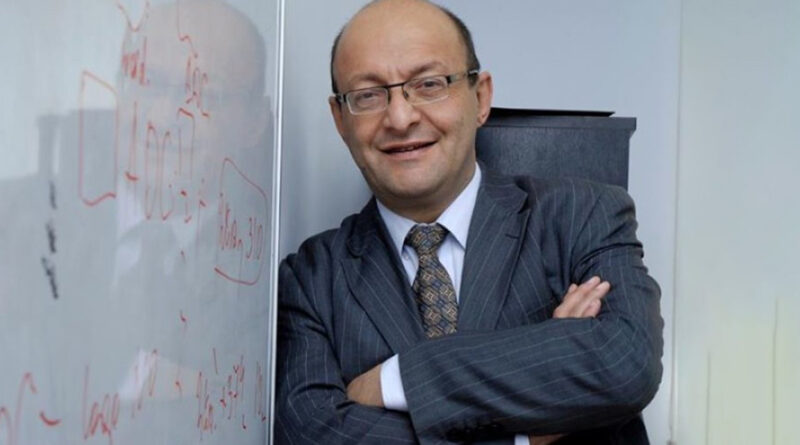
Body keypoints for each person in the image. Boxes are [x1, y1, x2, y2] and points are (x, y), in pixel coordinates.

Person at [275, 0, 663, 443]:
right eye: (368, 95)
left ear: (481, 98)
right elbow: (311, 432)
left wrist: (398, 379)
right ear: (340, 120)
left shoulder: (581, 216)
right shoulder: (311, 278)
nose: (400, 117)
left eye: (429, 84)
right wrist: (528, 427)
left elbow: (624, 360)